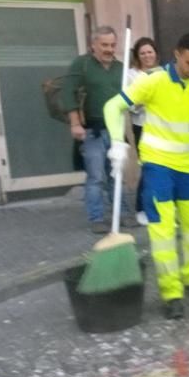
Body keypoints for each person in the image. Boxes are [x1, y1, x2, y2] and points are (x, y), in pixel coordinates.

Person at [103, 32, 189, 320]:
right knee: (162, 232)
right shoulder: (153, 82)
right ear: (176, 54)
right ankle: (171, 292)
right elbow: (113, 106)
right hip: (158, 166)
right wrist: (116, 141)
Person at [62, 26, 134, 234]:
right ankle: (97, 218)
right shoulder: (82, 64)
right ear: (93, 44)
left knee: (116, 174)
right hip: (91, 131)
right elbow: (68, 93)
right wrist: (75, 122)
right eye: (104, 45)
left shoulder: (121, 68)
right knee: (96, 177)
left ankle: (122, 214)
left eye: (112, 45)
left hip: (116, 131)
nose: (109, 49)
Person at [127, 37, 161, 226]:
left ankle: (160, 207)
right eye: (143, 53)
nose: (147, 56)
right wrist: (143, 100)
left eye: (150, 52)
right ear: (137, 56)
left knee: (163, 169)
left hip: (163, 127)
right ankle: (141, 208)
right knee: (148, 168)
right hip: (142, 126)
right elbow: (130, 104)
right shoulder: (132, 75)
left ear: (155, 53)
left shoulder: (162, 72)